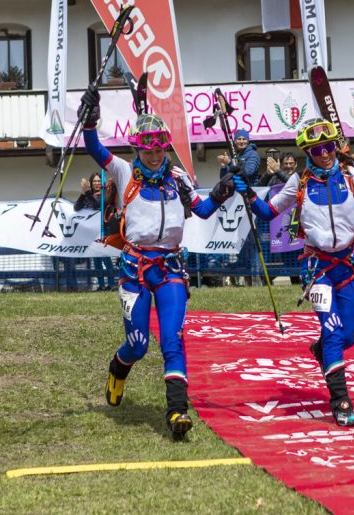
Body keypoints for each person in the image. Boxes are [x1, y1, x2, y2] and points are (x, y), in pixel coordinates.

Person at [240, 117, 354, 427]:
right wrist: (248, 193)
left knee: (348, 335)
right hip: (318, 268)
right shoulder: (300, 182)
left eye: (329, 145)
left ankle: (322, 349)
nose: (325, 153)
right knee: (334, 330)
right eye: (317, 149)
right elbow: (267, 212)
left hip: (348, 267)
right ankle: (340, 400)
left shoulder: (351, 175)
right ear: (307, 153)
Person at [78, 87, 236, 440]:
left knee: (172, 340)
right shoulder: (123, 172)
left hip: (170, 270)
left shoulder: (178, 178)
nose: (154, 153)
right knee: (138, 345)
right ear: (137, 147)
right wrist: (90, 119)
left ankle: (177, 411)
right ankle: (118, 370)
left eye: (160, 146)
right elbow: (94, 148)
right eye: (147, 147)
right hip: (134, 269)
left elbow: (202, 210)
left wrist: (221, 191)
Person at [74, 172, 116, 291]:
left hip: (103, 232)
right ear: (91, 184)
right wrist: (83, 194)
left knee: (105, 258)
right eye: (94, 182)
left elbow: (97, 205)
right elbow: (76, 207)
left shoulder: (104, 194)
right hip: (92, 233)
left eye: (98, 181)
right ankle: (101, 284)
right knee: (96, 260)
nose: (97, 184)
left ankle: (111, 283)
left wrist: (87, 193)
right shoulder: (88, 195)